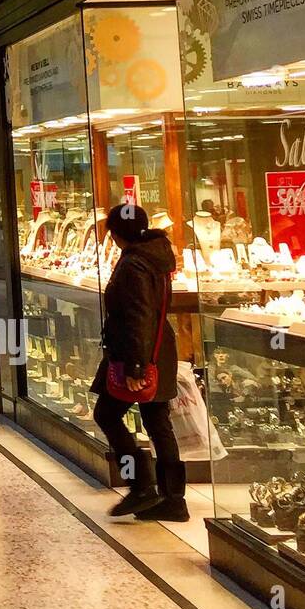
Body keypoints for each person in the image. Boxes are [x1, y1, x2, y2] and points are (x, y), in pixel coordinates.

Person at [91, 204, 185, 521]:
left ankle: (142, 484)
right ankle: (173, 499)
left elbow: (138, 316)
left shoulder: (134, 265)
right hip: (157, 350)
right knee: (158, 423)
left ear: (116, 235)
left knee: (107, 413)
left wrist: (135, 367)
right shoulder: (155, 256)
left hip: (139, 355)